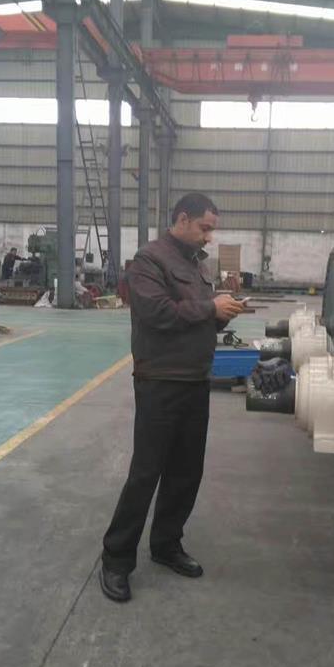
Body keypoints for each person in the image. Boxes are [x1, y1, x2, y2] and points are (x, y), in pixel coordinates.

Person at [100, 193, 245, 602]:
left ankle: (166, 544)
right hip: (160, 381)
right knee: (146, 473)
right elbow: (158, 314)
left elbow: (198, 318)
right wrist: (210, 307)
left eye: (211, 229)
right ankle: (116, 559)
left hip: (195, 380)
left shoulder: (197, 265)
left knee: (186, 471)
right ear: (182, 219)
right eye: (205, 228)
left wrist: (224, 311)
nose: (209, 237)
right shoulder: (149, 260)